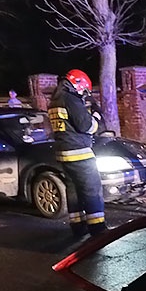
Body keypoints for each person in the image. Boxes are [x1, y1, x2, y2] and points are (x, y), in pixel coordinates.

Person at [48, 69, 108, 238]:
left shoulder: (55, 100)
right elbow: (86, 126)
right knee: (92, 190)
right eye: (83, 90)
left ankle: (78, 226)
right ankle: (98, 229)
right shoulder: (71, 99)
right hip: (80, 153)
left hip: (64, 154)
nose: (83, 93)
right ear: (77, 83)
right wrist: (95, 116)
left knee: (73, 191)